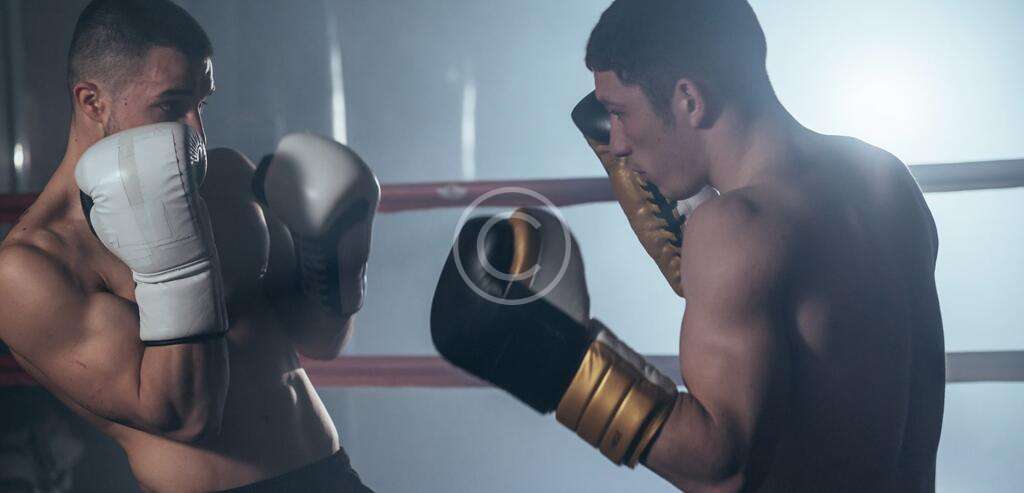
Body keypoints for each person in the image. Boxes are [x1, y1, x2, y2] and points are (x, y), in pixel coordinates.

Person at [431, 0, 945, 491]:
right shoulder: (884, 178)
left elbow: (723, 471)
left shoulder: (735, 229)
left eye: (620, 112)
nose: (617, 143)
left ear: (689, 99)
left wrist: (558, 361)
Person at [0, 0, 378, 491]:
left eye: (202, 103)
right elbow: (186, 417)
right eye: (171, 104)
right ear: (92, 102)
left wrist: (336, 254)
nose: (197, 131)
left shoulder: (226, 178)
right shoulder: (33, 267)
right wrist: (175, 266)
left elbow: (320, 341)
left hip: (333, 473)